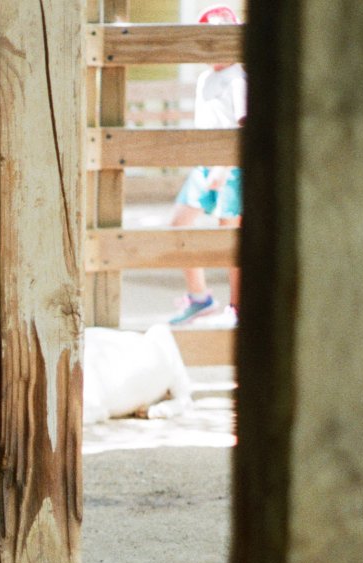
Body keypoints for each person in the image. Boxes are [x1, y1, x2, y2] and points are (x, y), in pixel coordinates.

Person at [168, 4, 245, 326]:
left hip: (230, 167)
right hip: (204, 166)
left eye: (222, 39)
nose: (215, 48)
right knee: (178, 224)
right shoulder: (204, 79)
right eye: (208, 40)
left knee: (230, 239)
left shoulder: (238, 78)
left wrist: (224, 166)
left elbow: (242, 125)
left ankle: (238, 308)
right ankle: (200, 296)